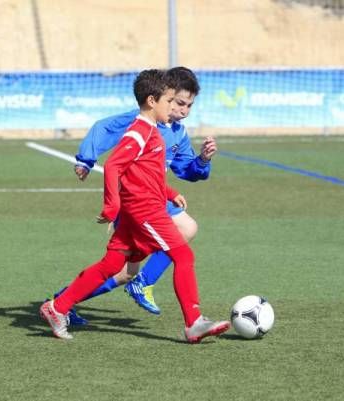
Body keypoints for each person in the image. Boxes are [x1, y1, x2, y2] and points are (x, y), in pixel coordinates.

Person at [40, 69, 230, 343]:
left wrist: (170, 189)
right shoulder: (140, 130)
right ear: (153, 101)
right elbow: (115, 165)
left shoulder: (156, 132)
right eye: (171, 101)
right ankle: (193, 322)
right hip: (145, 210)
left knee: (113, 266)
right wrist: (110, 205)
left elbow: (145, 172)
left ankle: (57, 306)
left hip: (143, 208)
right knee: (184, 256)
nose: (177, 108)